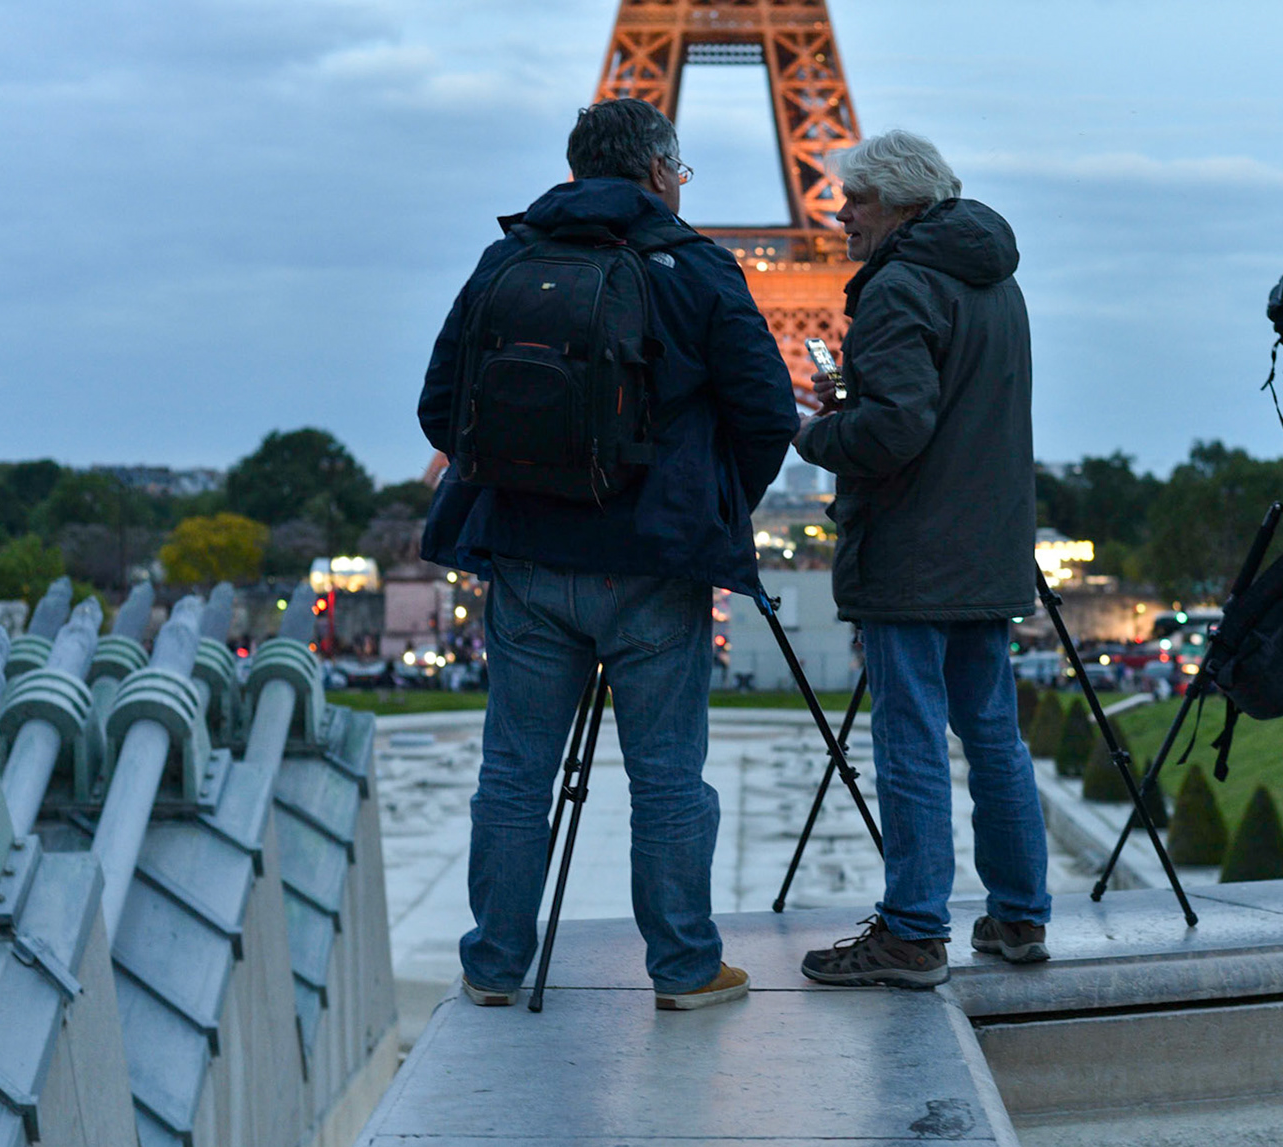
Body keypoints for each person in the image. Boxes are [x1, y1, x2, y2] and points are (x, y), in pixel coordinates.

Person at [417, 98, 797, 1010]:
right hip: (655, 560)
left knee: (512, 776)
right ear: (662, 170)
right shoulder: (699, 269)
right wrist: (708, 502)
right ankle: (683, 968)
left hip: (526, 553)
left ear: (576, 165)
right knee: (668, 778)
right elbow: (770, 414)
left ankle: (494, 966)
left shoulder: (508, 259)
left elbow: (442, 409)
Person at [791, 130, 1052, 987]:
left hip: (912, 554)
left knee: (910, 744)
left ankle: (911, 932)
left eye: (856, 201)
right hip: (989, 546)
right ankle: (1019, 917)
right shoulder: (997, 281)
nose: (840, 214)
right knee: (996, 740)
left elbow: (898, 429)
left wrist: (818, 430)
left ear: (901, 203)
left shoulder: (899, 287)